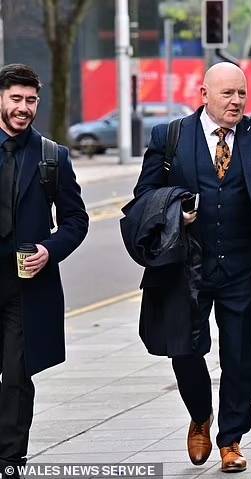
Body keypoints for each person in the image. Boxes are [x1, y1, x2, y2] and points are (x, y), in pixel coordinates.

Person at [132, 62, 251, 473]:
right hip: (185, 265)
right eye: (227, 94)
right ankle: (201, 415)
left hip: (241, 264)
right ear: (204, 95)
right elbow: (144, 195)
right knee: (184, 348)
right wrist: (175, 212)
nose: (237, 101)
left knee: (240, 352)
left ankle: (232, 439)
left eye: (242, 93)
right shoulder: (169, 137)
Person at [0, 64, 89, 478]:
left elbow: (76, 220)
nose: (23, 108)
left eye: (30, 100)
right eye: (16, 99)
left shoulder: (53, 156)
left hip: (26, 285)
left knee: (18, 375)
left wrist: (49, 250)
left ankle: (9, 460)